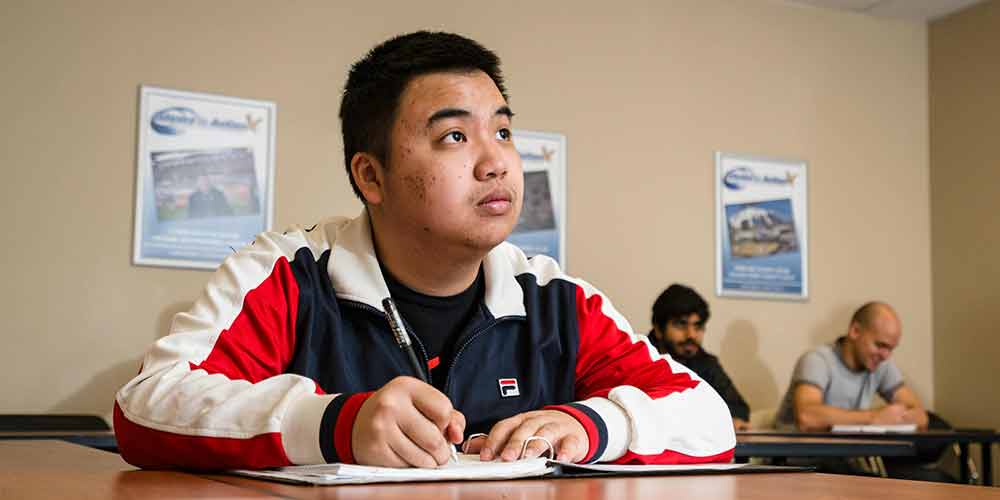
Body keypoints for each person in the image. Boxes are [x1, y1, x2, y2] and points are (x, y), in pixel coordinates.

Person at [113, 31, 735, 471]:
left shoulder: (555, 301)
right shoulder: (287, 275)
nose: (496, 162)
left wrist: (593, 425)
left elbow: (709, 420)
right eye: (455, 135)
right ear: (371, 177)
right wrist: (335, 424)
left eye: (504, 131)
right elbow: (145, 405)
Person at [775, 302, 928, 432]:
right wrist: (874, 417)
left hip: (846, 457)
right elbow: (807, 417)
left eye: (891, 349)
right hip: (798, 461)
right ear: (855, 331)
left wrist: (900, 416)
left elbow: (921, 416)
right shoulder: (817, 360)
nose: (886, 356)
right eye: (880, 345)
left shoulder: (881, 364)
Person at [648, 284, 751, 431]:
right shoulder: (639, 358)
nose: (691, 335)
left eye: (698, 327)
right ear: (658, 329)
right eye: (681, 325)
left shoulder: (706, 363)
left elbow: (739, 410)